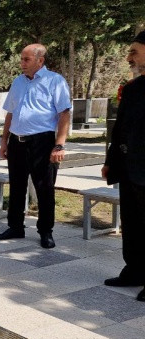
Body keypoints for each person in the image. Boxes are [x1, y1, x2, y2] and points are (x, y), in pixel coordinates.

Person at [0, 44, 71, 249]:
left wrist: (59, 145)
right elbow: (10, 112)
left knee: (44, 189)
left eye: (26, 59)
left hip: (42, 142)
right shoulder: (18, 82)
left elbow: (64, 114)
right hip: (17, 141)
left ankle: (46, 231)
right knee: (17, 186)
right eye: (21, 59)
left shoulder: (55, 81)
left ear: (40, 60)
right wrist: (4, 139)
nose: (22, 63)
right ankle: (15, 227)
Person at [102, 31, 145, 301]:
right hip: (130, 169)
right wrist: (110, 161)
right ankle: (135, 271)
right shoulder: (132, 88)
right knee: (132, 223)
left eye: (134, 51)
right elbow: (120, 131)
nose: (128, 57)